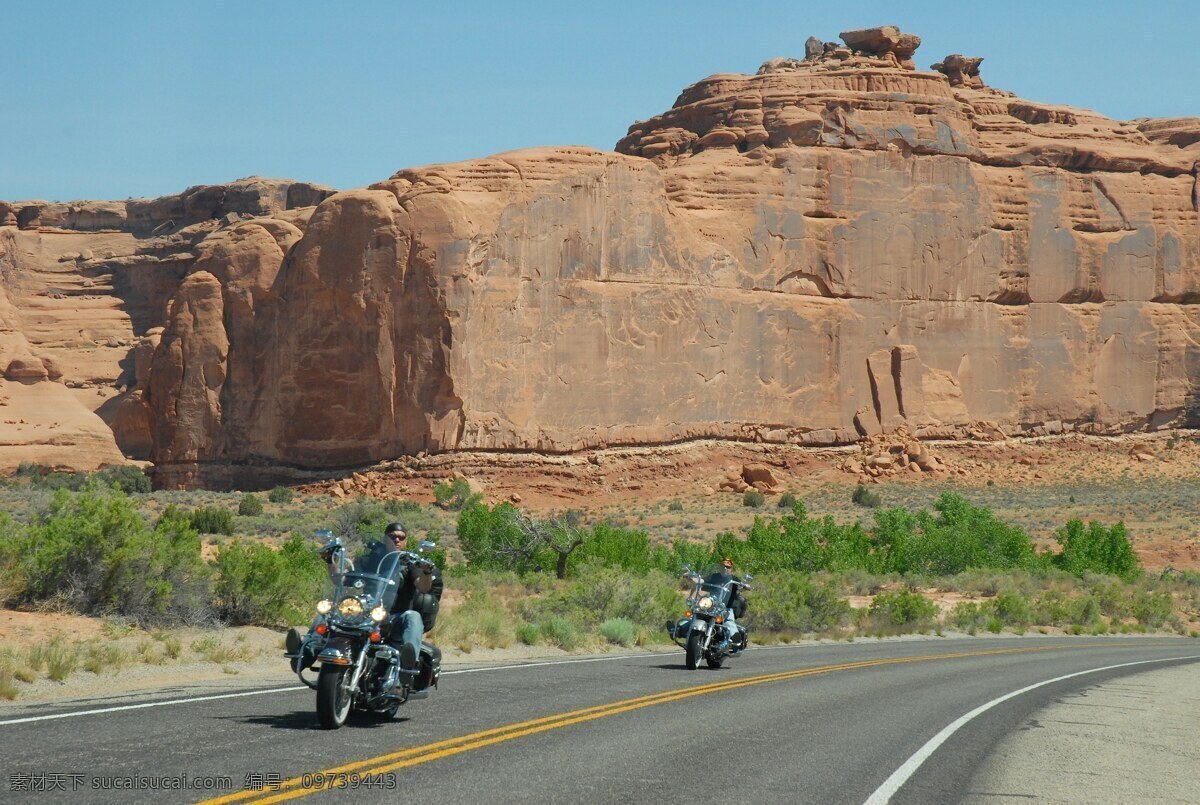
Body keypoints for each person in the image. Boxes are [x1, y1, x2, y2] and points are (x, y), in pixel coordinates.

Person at [316, 522, 442, 689]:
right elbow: (341, 579)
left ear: (405, 541)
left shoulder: (410, 563)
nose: (397, 539)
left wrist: (426, 571)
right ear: (384, 538)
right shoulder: (369, 559)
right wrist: (330, 562)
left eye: (401, 537)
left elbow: (424, 587)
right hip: (367, 613)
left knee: (413, 616)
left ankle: (406, 665)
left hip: (395, 617)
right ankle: (309, 648)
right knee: (328, 610)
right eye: (393, 536)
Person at [705, 557, 748, 650]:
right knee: (697, 614)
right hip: (711, 605)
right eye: (723, 566)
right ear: (720, 567)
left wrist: (744, 586)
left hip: (726, 608)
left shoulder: (734, 579)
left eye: (728, 567)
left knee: (729, 622)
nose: (725, 568)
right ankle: (678, 629)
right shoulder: (714, 576)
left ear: (731, 569)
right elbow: (702, 581)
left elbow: (742, 587)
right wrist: (692, 577)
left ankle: (736, 639)